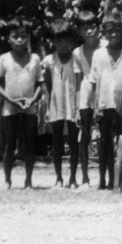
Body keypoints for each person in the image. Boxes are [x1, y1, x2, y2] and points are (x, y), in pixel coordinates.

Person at [0, 18, 43, 189]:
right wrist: (10, 100)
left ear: (28, 38)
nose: (19, 40)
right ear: (8, 39)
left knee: (30, 143)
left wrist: (32, 100)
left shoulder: (34, 58)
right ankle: (7, 180)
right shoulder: (4, 59)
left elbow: (40, 85)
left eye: (23, 36)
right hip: (10, 106)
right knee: (10, 143)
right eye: (15, 36)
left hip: (29, 107)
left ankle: (28, 180)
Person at [89, 11, 122, 190]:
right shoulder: (98, 54)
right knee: (105, 143)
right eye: (109, 31)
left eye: (117, 30)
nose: (113, 34)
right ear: (104, 32)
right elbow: (94, 82)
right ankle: (103, 179)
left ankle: (120, 179)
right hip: (104, 103)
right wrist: (94, 107)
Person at [42, 19, 80, 188]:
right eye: (59, 40)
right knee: (56, 142)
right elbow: (47, 87)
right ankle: (58, 177)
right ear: (54, 42)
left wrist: (79, 108)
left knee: (73, 141)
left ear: (72, 40)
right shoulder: (49, 61)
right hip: (56, 105)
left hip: (73, 105)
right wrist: (48, 108)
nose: (63, 44)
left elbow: (79, 84)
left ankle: (72, 177)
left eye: (66, 40)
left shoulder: (77, 59)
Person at [73, 10, 102, 188]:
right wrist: (77, 107)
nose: (89, 32)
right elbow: (77, 82)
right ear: (79, 32)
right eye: (85, 28)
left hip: (104, 92)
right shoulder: (77, 52)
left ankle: (104, 176)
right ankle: (84, 177)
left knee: (103, 136)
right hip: (86, 94)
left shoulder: (106, 46)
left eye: (92, 27)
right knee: (84, 136)